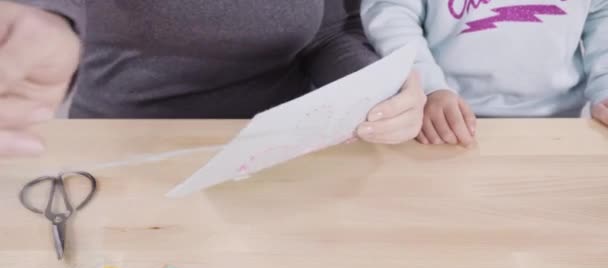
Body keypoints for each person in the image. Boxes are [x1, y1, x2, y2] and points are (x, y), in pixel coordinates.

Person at [0, 1, 426, 158]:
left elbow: (330, 28)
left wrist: (374, 85)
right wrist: (47, 25)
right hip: (129, 161)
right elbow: (55, 12)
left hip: (280, 157)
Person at [361, 0, 608, 146]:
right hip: (440, 124)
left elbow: (602, 13)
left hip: (560, 127)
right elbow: (392, 11)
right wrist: (428, 87)